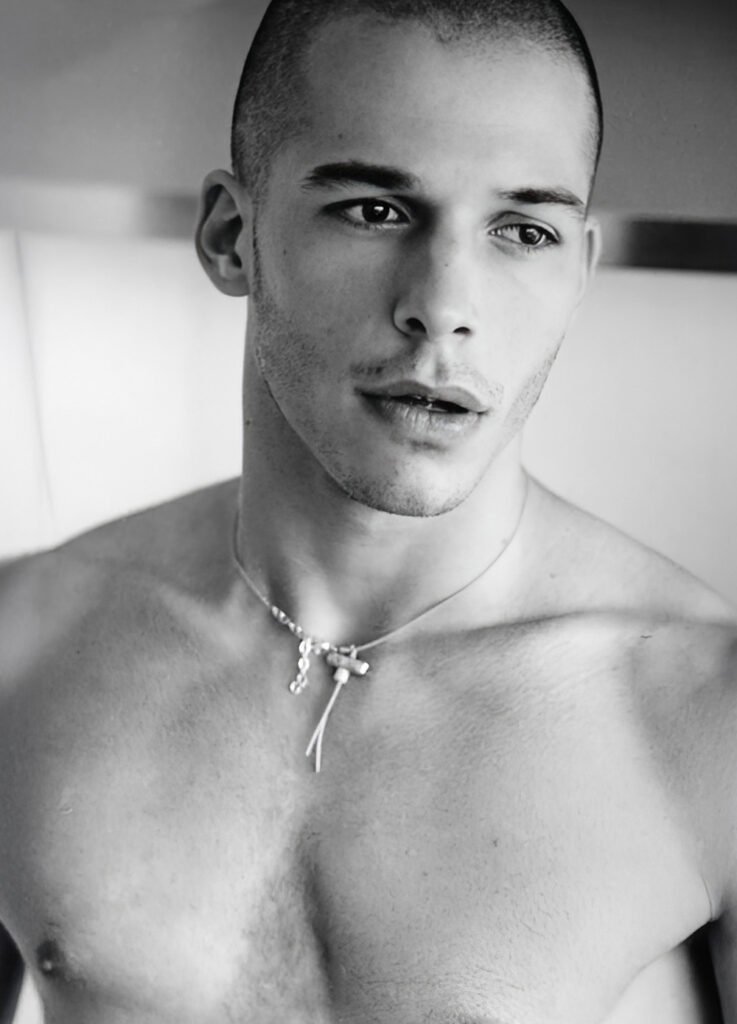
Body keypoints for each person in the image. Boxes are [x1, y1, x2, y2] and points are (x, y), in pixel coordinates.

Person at [1, 0, 735, 1020]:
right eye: (375, 210)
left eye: (523, 231)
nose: (443, 306)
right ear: (231, 236)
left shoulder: (703, 717)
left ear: (577, 270)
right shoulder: (24, 642)